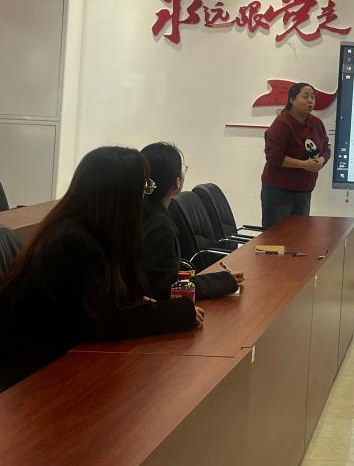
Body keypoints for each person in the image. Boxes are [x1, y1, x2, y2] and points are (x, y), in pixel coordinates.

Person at [0, 147, 201, 392]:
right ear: (119, 196)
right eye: (143, 188)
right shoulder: (72, 242)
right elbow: (103, 321)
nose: (145, 200)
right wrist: (179, 311)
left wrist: (133, 299)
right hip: (32, 376)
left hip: (56, 360)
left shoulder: (91, 232)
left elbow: (102, 301)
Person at [140, 142, 243, 300]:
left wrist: (222, 279)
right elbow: (168, 289)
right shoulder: (160, 226)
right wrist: (222, 282)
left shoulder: (136, 212)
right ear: (177, 182)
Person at [261, 82, 331, 229]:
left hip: (304, 190)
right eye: (305, 96)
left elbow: (326, 148)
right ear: (292, 100)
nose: (310, 101)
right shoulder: (282, 123)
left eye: (312, 97)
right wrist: (304, 165)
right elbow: (274, 156)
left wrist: (321, 160)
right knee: (277, 236)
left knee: (299, 235)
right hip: (279, 191)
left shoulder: (317, 123)